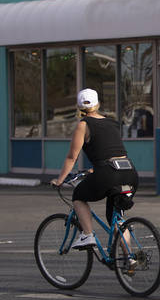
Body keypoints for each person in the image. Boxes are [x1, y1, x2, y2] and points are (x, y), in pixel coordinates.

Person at [50, 88, 138, 251]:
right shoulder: (112, 123)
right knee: (116, 217)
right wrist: (95, 170)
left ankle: (87, 235)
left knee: (78, 196)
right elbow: (109, 150)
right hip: (129, 172)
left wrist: (60, 180)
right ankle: (129, 259)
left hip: (108, 174)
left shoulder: (83, 125)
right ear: (98, 105)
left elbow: (71, 157)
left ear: (78, 108)